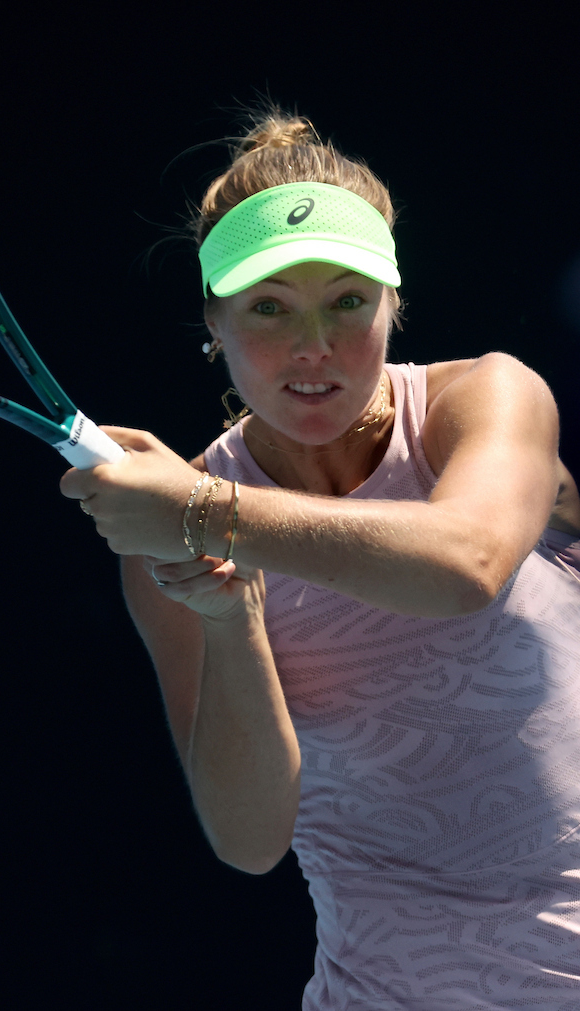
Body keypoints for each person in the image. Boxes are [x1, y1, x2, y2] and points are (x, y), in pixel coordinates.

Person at [60, 113, 580, 1008]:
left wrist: (212, 514)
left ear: (394, 303)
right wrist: (233, 620)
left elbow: (467, 562)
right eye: (269, 307)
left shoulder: (487, 398)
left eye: (347, 301)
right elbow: (250, 837)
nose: (315, 347)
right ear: (213, 322)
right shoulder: (176, 531)